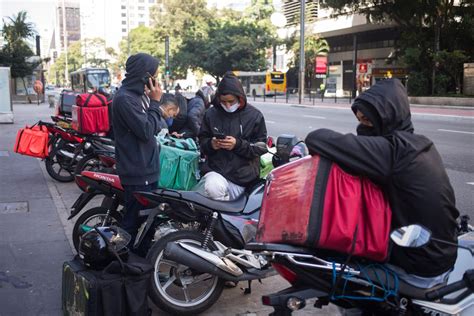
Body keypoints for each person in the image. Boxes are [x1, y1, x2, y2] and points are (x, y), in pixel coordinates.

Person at [305, 79, 459, 288]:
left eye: (368, 122)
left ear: (387, 119)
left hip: (418, 265)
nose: (362, 127)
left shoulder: (393, 152)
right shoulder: (420, 145)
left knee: (326, 259)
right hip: (443, 253)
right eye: (359, 120)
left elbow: (317, 138)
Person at [112, 53, 179, 254]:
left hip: (148, 167)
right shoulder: (125, 99)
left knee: (148, 218)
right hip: (136, 169)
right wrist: (155, 103)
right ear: (146, 76)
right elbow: (146, 131)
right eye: (155, 75)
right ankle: (122, 262)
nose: (157, 80)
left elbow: (154, 127)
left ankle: (140, 259)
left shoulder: (140, 96)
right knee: (133, 220)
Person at [199, 72, 267, 200]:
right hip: (216, 171)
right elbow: (202, 142)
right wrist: (211, 144)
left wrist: (237, 144)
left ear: (240, 99)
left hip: (244, 177)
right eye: (224, 102)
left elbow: (261, 147)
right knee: (213, 187)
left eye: (231, 101)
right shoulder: (210, 114)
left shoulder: (255, 116)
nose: (228, 106)